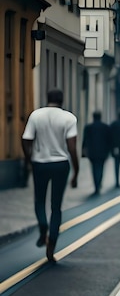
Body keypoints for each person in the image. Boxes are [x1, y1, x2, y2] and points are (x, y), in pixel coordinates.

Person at [21, 88, 79, 263]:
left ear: (47, 98)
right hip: (61, 164)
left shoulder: (35, 116)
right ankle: (51, 247)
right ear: (62, 100)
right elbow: (71, 147)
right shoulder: (69, 118)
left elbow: (26, 139)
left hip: (40, 163)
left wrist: (29, 160)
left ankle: (43, 226)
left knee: (39, 200)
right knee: (56, 206)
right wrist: (76, 171)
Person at [82, 111, 111, 194]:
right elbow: (109, 140)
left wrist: (83, 152)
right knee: (101, 168)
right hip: (103, 151)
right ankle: (99, 183)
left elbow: (85, 140)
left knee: (94, 168)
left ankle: (96, 185)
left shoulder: (88, 127)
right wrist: (109, 150)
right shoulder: (105, 127)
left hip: (92, 151)